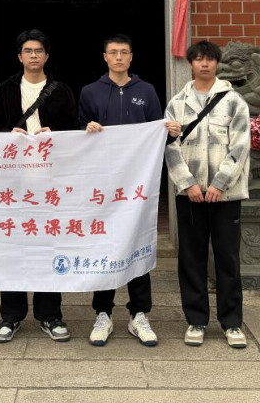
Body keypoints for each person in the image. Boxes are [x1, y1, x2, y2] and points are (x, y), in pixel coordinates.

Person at [0, 29, 78, 343]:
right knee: (12, 248)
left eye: (38, 51)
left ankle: (50, 315)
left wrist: (56, 134)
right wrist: (8, 133)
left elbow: (74, 130)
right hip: (14, 183)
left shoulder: (61, 91)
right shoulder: (6, 89)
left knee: (48, 247)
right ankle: (11, 315)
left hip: (50, 183)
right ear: (19, 56)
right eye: (28, 51)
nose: (33, 56)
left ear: (47, 56)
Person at [78, 33, 165, 347]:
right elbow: (76, 133)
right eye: (113, 52)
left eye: (123, 52)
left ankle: (139, 314)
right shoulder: (90, 92)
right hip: (103, 184)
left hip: (137, 184)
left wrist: (169, 131)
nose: (118, 57)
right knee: (105, 245)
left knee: (137, 243)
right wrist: (86, 129)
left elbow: (157, 132)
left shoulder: (147, 91)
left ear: (131, 57)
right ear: (105, 57)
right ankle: (103, 313)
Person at [163, 40, 251, 349]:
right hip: (190, 195)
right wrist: (187, 183)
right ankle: (196, 320)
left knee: (227, 258)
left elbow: (241, 146)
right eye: (198, 59)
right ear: (190, 63)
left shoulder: (234, 101)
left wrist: (219, 183)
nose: (204, 64)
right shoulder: (177, 103)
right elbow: (170, 147)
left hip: (225, 195)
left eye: (209, 59)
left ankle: (232, 322)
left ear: (217, 63)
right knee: (191, 258)